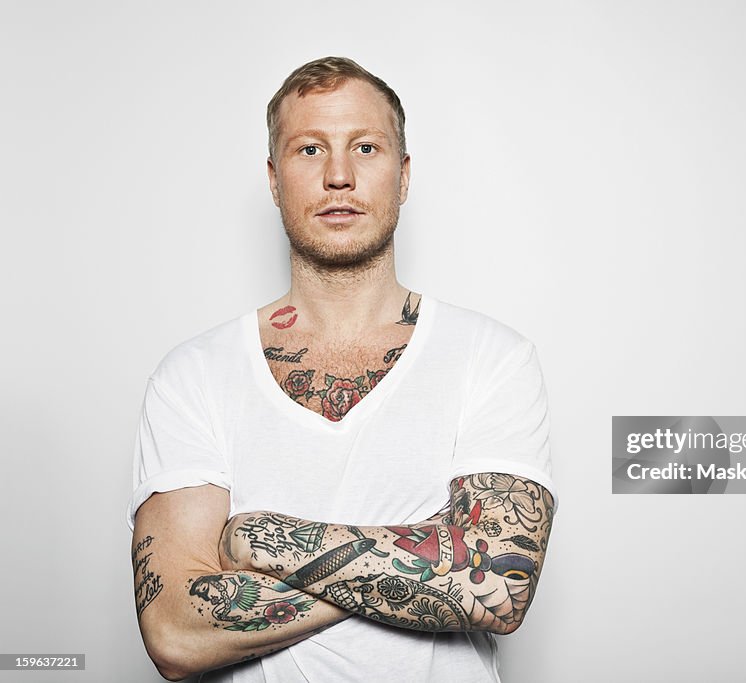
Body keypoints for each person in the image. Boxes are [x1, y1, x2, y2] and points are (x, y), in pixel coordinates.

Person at [128, 56, 556, 682]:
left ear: (403, 175)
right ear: (274, 180)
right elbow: (174, 631)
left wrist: (262, 538)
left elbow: (496, 585)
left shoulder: (492, 356)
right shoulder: (192, 375)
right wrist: (426, 558)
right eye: (309, 150)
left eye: (365, 147)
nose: (338, 176)